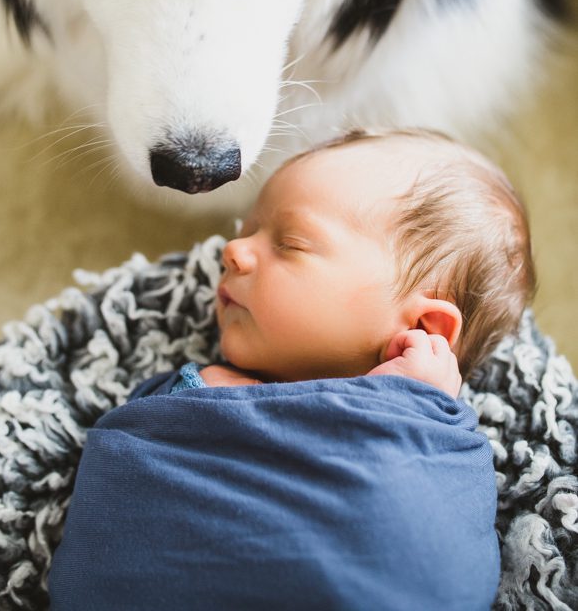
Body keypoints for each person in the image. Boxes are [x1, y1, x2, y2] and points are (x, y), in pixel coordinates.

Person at [49, 129, 535, 611]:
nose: (232, 251)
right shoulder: (196, 395)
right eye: (246, 231)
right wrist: (196, 394)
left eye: (290, 243)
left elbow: (421, 558)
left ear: (425, 327)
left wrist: (411, 404)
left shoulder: (423, 438)